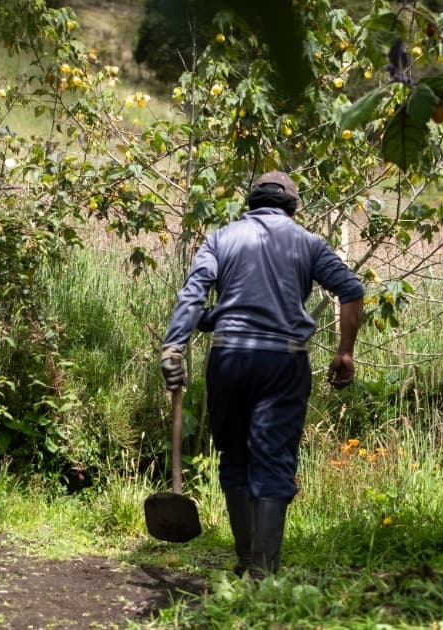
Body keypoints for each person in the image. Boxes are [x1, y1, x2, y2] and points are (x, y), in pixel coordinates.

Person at [160, 170, 364, 577]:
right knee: (272, 460)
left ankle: (246, 559)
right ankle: (264, 573)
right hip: (283, 363)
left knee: (234, 454)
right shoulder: (309, 243)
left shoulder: (220, 238)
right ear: (293, 206)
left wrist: (174, 344)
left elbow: (194, 291)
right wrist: (344, 352)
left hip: (229, 358)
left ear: (250, 203)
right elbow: (352, 289)